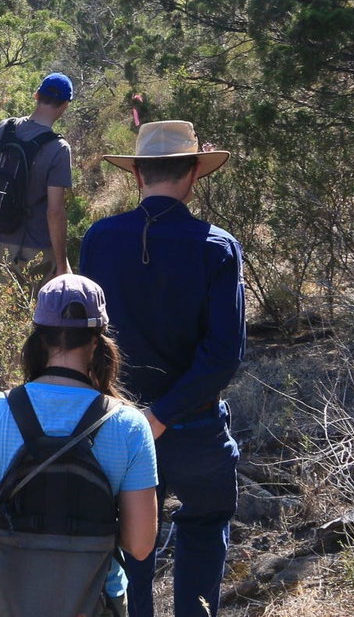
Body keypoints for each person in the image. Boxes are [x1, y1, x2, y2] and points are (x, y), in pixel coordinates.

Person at [79, 121, 245, 617]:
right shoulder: (216, 246)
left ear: (138, 176)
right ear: (194, 173)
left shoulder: (100, 240)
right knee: (203, 527)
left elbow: (88, 338)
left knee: (132, 546)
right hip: (193, 424)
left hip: (119, 427)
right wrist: (166, 413)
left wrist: (136, 417)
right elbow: (223, 354)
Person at [0, 274, 158, 617]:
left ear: (39, 337)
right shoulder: (129, 425)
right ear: (98, 341)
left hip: (13, 602)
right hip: (97, 604)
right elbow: (139, 545)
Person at [0, 71, 75, 277]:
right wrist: (62, 265)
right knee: (38, 308)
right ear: (65, 105)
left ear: (36, 95)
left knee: (2, 307)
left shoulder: (4, 129)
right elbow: (55, 212)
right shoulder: (59, 148)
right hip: (36, 250)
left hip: (1, 241)